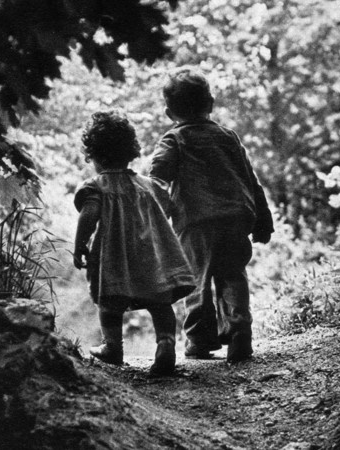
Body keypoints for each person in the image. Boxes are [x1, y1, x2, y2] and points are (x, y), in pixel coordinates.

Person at [149, 68, 274, 363]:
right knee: (233, 274)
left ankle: (199, 340)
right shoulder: (228, 137)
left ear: (169, 112)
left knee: (196, 280)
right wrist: (263, 218)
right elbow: (250, 178)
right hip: (235, 216)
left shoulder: (174, 140)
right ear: (211, 103)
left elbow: (156, 177)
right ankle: (239, 329)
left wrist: (165, 210)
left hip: (196, 222)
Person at [73, 111, 195, 376]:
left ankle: (113, 347)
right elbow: (168, 205)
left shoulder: (96, 186)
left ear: (95, 156)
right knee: (160, 302)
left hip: (113, 258)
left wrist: (79, 244)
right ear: (130, 151)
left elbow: (89, 214)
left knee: (109, 304)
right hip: (152, 255)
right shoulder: (148, 185)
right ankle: (165, 344)